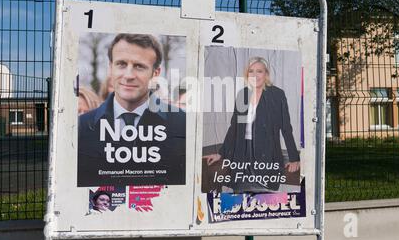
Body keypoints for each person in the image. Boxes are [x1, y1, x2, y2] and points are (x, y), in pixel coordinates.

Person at [78, 33, 186, 187]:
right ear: (110, 67)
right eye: (121, 64)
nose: (128, 75)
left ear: (156, 73)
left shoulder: (182, 123)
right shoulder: (82, 127)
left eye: (139, 66)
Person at [204, 57, 300, 193]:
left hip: (267, 153)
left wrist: (294, 158)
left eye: (259, 71)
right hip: (242, 153)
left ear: (266, 74)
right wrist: (221, 154)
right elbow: (234, 128)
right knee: (240, 197)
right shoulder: (243, 94)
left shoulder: (276, 95)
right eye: (251, 71)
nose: (255, 75)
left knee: (263, 198)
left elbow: (286, 128)